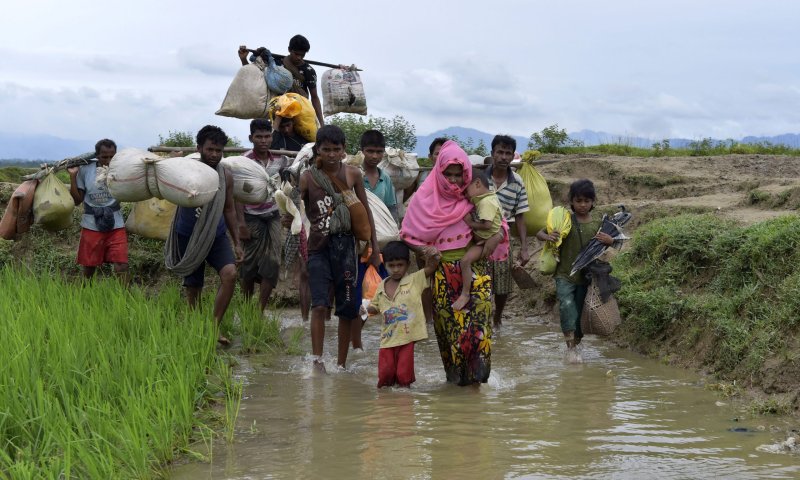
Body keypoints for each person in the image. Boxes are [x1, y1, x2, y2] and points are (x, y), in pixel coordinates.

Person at [400, 140, 496, 386]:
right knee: (450, 328)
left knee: (478, 328)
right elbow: (408, 235)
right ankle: (456, 382)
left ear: (466, 174)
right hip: (442, 273)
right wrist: (425, 249)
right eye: (448, 174)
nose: (453, 181)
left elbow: (497, 222)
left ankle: (477, 383)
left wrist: (493, 239)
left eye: (458, 175)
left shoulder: (472, 199)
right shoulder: (424, 200)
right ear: (439, 172)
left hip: (475, 272)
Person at [299, 125, 381, 371]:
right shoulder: (307, 178)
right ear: (318, 151)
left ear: (344, 150)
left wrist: (374, 249)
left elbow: (366, 213)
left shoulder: (353, 175)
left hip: (346, 249)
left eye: (337, 149)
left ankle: (342, 364)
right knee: (320, 304)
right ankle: (317, 361)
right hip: (318, 248)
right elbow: (299, 213)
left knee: (347, 307)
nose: (332, 154)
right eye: (326, 150)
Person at [166, 125, 243, 345]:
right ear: (199, 148)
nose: (214, 155)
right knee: (194, 288)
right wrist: (172, 163)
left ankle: (213, 326)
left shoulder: (225, 175)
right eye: (210, 149)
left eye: (219, 151)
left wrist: (237, 242)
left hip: (216, 235)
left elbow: (228, 209)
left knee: (230, 274)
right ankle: (194, 329)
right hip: (188, 234)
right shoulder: (187, 169)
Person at [536, 179, 613, 363]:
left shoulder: (598, 224)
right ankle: (570, 347)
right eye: (578, 201)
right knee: (567, 305)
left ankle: (576, 344)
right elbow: (539, 233)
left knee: (579, 312)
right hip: (565, 274)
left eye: (587, 201)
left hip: (586, 277)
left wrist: (609, 241)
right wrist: (549, 236)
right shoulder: (564, 220)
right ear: (571, 201)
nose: (583, 205)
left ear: (593, 202)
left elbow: (615, 241)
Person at [362, 241, 440, 388]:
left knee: (404, 377)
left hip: (407, 338)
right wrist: (366, 309)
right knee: (385, 377)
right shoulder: (382, 285)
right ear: (385, 265)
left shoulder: (415, 280)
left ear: (408, 264)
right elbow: (376, 307)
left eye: (400, 265)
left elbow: (432, 265)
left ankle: (404, 404)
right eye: (391, 266)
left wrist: (427, 251)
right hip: (387, 339)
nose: (396, 269)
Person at [237, 119, 291, 312]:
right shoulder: (244, 161)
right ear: (251, 138)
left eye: (267, 136)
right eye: (259, 137)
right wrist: (241, 224)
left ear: (272, 137)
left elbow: (289, 184)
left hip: (273, 214)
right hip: (251, 215)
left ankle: (259, 310)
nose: (263, 141)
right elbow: (237, 194)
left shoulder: (281, 159)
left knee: (274, 261)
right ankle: (245, 308)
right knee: (249, 264)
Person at [67, 139, 128, 283]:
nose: (108, 160)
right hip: (91, 224)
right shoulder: (86, 170)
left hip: (116, 223)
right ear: (97, 156)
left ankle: (126, 299)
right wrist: (72, 176)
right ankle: (84, 296)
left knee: (122, 265)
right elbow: (77, 200)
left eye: (111, 157)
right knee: (89, 267)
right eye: (104, 157)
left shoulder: (121, 170)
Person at [485, 135, 530, 326]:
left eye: (507, 153)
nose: (503, 157)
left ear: (512, 156)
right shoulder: (479, 178)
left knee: (502, 285)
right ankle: (483, 317)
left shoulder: (517, 182)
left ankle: (497, 318)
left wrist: (524, 247)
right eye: (500, 152)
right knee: (481, 281)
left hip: (503, 239)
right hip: (479, 238)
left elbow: (520, 216)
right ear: (492, 153)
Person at [452, 167, 506, 311]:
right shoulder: (489, 197)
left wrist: (470, 223)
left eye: (465, 190)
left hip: (484, 241)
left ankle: (465, 293)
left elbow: (487, 225)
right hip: (485, 239)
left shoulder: (485, 202)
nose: (465, 195)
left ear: (477, 184)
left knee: (465, 261)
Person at [238, 34, 324, 126]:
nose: (299, 58)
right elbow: (254, 76)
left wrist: (322, 124)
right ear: (289, 50)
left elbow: (314, 97)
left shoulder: (308, 71)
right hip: (278, 114)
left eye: (302, 55)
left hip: (300, 114)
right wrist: (243, 59)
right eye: (296, 54)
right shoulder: (276, 64)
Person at [361, 129, 399, 223]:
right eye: (370, 151)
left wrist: (394, 227)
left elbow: (391, 208)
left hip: (381, 229)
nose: (375, 156)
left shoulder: (385, 178)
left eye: (379, 152)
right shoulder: (355, 175)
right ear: (362, 150)